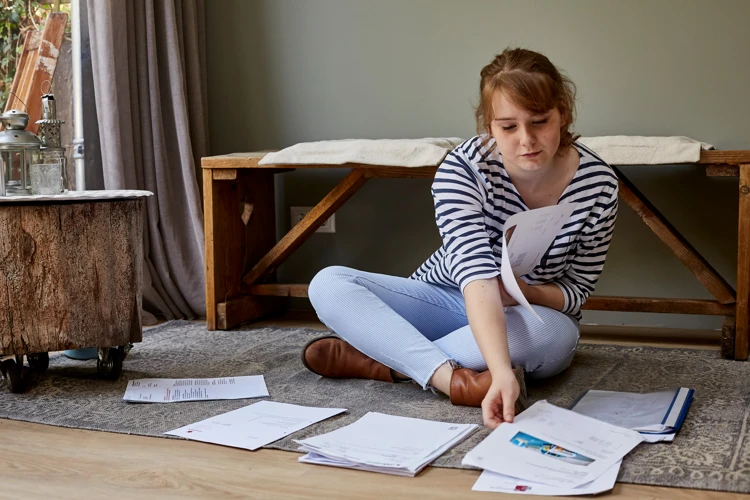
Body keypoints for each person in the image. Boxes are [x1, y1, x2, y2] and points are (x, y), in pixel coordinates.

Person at [300, 47, 619, 429]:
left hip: (529, 315)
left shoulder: (599, 183)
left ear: (563, 112)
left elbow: (578, 289)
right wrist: (501, 371)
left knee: (552, 334)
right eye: (508, 126)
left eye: (539, 121)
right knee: (329, 284)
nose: (526, 140)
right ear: (487, 125)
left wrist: (524, 290)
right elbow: (475, 276)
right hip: (447, 300)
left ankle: (389, 361)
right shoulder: (463, 169)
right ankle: (452, 379)